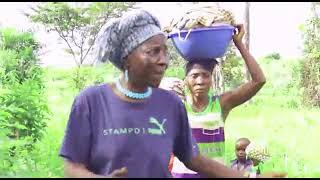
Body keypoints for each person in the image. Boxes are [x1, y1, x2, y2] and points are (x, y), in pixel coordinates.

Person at [59, 9, 286, 178]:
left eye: (166, 52)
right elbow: (72, 164)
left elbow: (194, 159)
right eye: (153, 52)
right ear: (126, 58)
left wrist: (248, 177)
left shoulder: (169, 104)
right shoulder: (90, 102)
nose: (164, 61)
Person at [160, 22, 267, 178]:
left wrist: (239, 44)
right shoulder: (177, 106)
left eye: (205, 75)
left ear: (211, 79)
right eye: (194, 76)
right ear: (186, 80)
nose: (200, 81)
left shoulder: (221, 103)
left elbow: (259, 81)